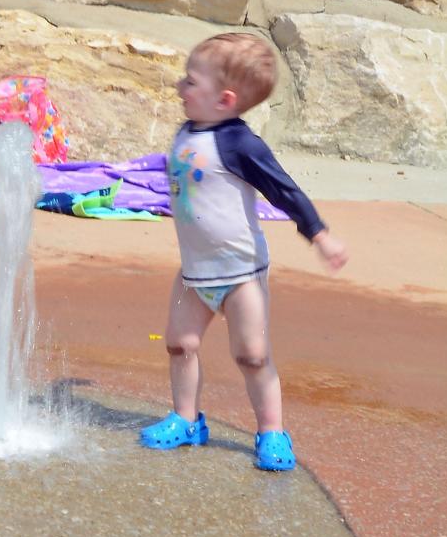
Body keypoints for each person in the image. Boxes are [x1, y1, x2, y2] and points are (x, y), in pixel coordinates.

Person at [140, 32, 348, 470]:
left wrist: (320, 235)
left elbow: (284, 190)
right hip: (194, 273)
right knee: (179, 344)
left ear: (225, 99)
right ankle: (185, 418)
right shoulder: (186, 131)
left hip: (240, 275)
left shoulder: (240, 144)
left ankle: (272, 431)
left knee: (252, 355)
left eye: (191, 82)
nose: (180, 88)